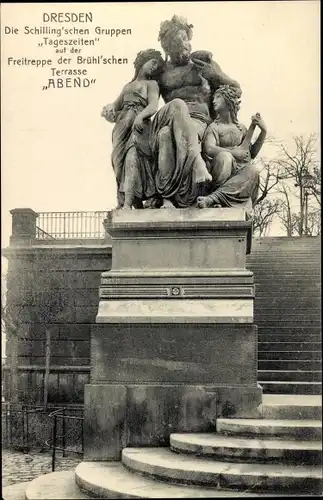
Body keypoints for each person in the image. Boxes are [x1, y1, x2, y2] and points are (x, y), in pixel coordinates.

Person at [150, 15, 241, 208]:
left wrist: (214, 76)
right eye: (178, 40)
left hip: (199, 123)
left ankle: (169, 197)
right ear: (167, 47)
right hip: (169, 116)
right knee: (177, 106)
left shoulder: (203, 66)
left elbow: (235, 88)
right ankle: (197, 163)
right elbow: (144, 92)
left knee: (166, 135)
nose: (185, 44)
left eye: (186, 39)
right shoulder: (161, 72)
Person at [101, 49, 165, 209]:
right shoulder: (128, 86)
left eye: (157, 66)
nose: (154, 67)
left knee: (133, 157)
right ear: (142, 61)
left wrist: (140, 116)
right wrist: (108, 109)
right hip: (122, 127)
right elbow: (115, 106)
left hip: (139, 127)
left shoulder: (152, 84)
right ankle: (126, 200)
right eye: (153, 62)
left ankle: (128, 203)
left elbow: (153, 106)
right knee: (118, 163)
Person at [197, 85, 267, 210]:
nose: (214, 101)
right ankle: (215, 196)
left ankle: (213, 198)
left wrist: (263, 131)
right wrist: (233, 153)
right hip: (220, 171)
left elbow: (251, 154)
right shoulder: (214, 127)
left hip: (238, 174)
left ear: (228, 100)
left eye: (218, 97)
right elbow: (209, 148)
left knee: (253, 171)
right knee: (225, 157)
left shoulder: (241, 128)